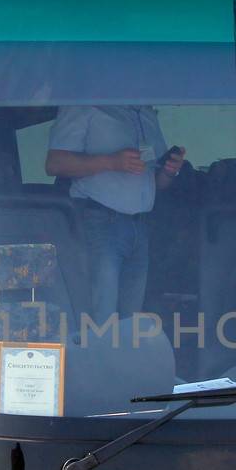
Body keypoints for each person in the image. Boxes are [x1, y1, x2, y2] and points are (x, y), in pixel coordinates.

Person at [45, 105, 185, 322]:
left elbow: (155, 182)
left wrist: (169, 171)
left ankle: (124, 357)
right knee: (101, 318)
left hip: (140, 225)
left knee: (131, 321)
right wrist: (111, 162)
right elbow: (54, 164)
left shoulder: (146, 112)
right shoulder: (84, 102)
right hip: (100, 222)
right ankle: (98, 357)